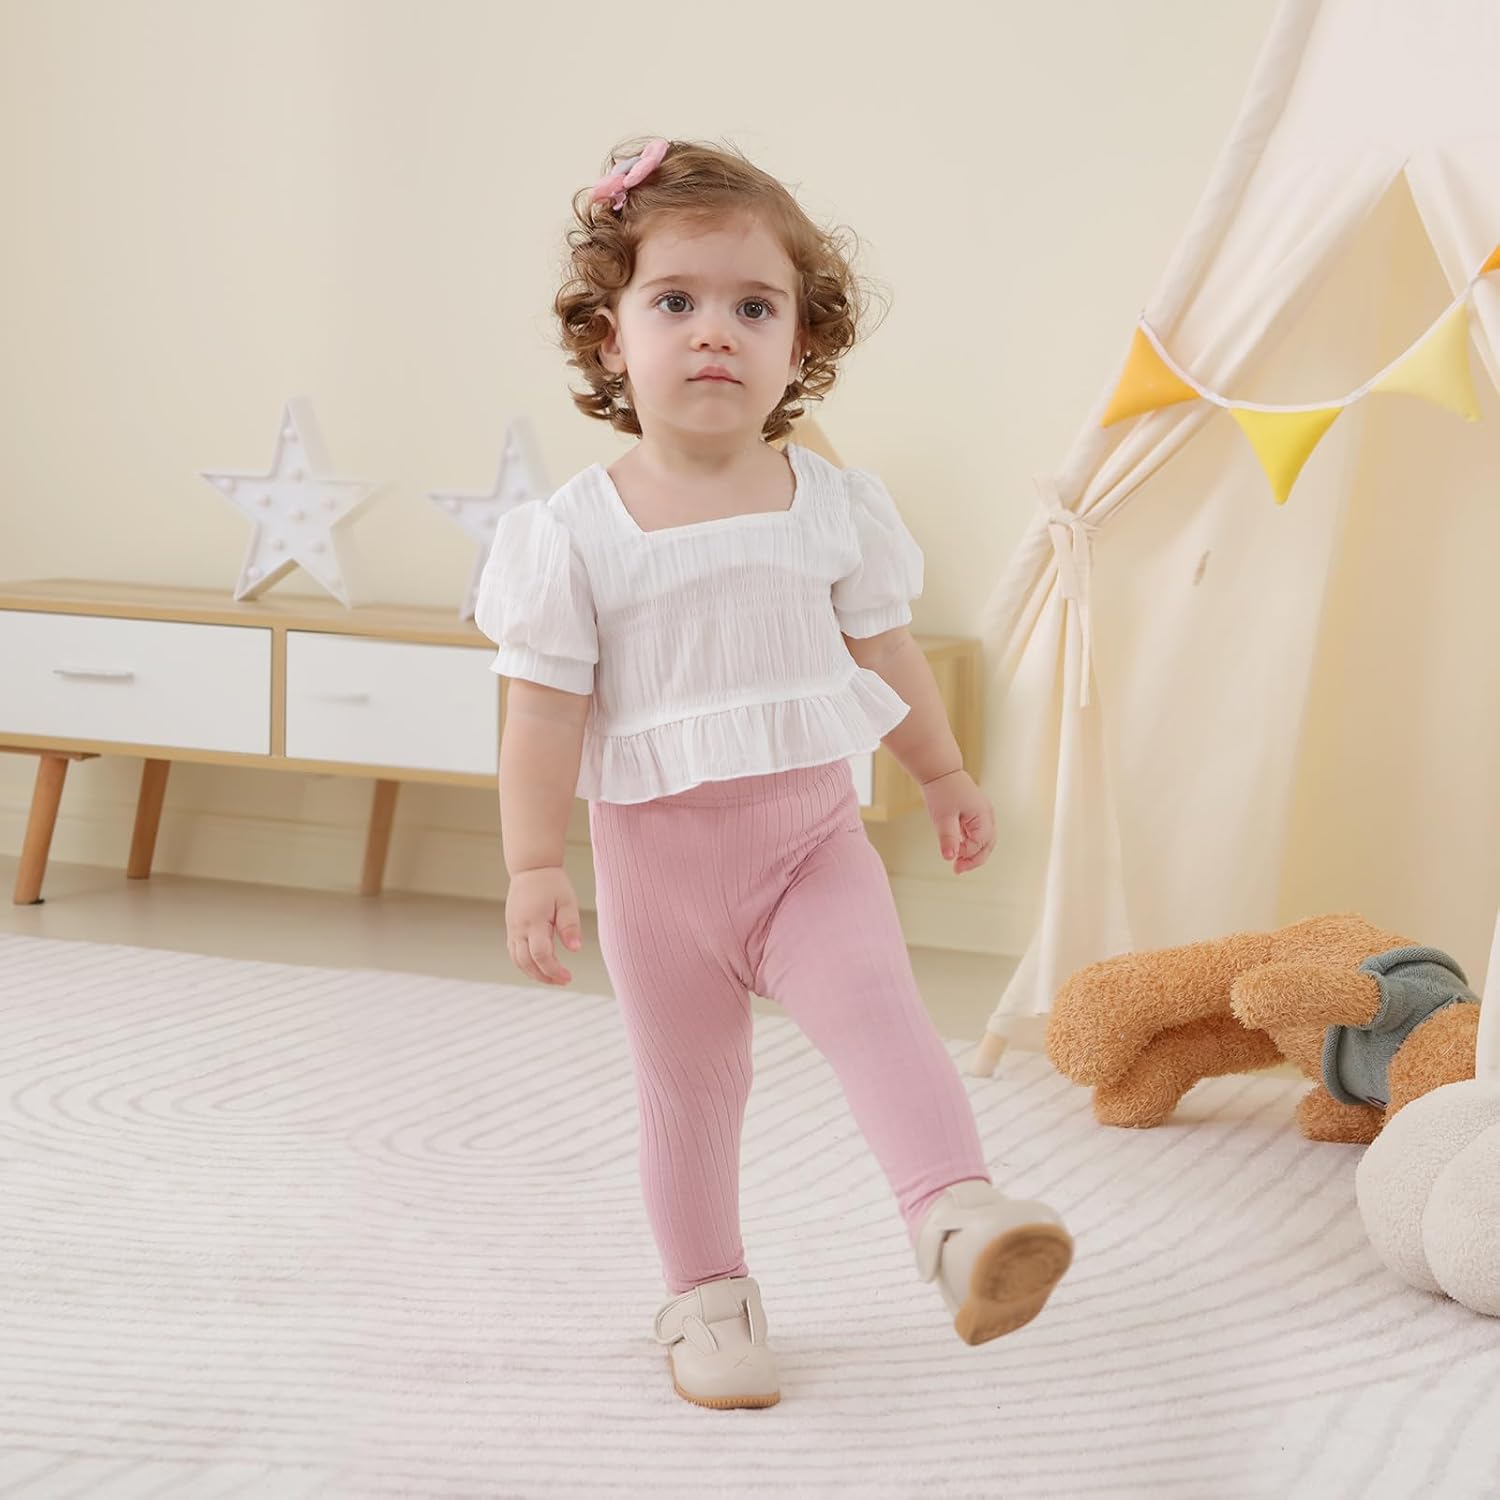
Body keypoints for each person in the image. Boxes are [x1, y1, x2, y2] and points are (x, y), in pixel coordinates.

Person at [475, 137, 1071, 1411]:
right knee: (692, 1095)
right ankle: (708, 1298)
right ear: (608, 340)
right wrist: (532, 865)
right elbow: (541, 714)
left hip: (812, 849)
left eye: (755, 308)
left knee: (881, 1015)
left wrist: (944, 773)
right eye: (674, 301)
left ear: (801, 346)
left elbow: (885, 650)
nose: (715, 332)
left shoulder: (830, 507)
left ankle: (956, 1217)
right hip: (659, 883)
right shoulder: (572, 535)